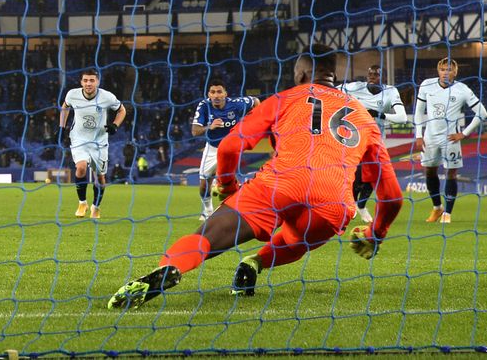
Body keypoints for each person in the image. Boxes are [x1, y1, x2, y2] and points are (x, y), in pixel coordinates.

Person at [108, 44, 403, 309]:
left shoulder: (284, 98)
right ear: (335, 78)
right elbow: (392, 197)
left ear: (300, 74)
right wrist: (375, 234)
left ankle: (172, 268)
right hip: (333, 202)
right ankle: (256, 262)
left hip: (279, 184)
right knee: (296, 238)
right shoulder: (365, 119)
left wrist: (227, 186)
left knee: (207, 238)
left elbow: (229, 146)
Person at [413, 58, 486, 224]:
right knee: (429, 171)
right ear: (438, 71)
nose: (446, 72)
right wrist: (418, 135)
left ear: (455, 72)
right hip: (429, 137)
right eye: (443, 69)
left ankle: (448, 213)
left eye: (449, 70)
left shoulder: (463, 90)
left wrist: (464, 133)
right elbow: (418, 112)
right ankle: (437, 208)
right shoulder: (426, 85)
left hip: (450, 139)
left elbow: (482, 112)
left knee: (451, 173)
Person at [341, 64, 407, 222]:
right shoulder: (354, 87)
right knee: (356, 174)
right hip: (354, 139)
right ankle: (351, 207)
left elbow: (402, 118)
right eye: (370, 74)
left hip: (376, 140)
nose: (371, 77)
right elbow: (332, 89)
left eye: (376, 75)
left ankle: (360, 205)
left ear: (382, 78)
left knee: (374, 176)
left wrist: (379, 114)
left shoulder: (390, 92)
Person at [60, 69, 126, 220]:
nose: (88, 83)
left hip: (99, 142)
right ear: (81, 82)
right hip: (79, 139)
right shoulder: (72, 94)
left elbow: (122, 110)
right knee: (81, 167)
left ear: (97, 82)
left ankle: (96, 207)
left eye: (91, 80)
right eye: (85, 80)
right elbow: (65, 107)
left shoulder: (107, 97)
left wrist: (115, 125)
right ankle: (82, 203)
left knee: (100, 178)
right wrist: (61, 127)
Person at [191, 79, 259, 221]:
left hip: (230, 149)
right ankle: (207, 210)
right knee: (204, 185)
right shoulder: (204, 106)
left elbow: (256, 101)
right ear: (209, 94)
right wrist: (210, 126)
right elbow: (195, 131)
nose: (216, 95)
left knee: (228, 183)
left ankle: (233, 211)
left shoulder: (236, 104)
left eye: (219, 92)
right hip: (212, 149)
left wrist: (251, 121)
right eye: (213, 92)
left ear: (225, 94)